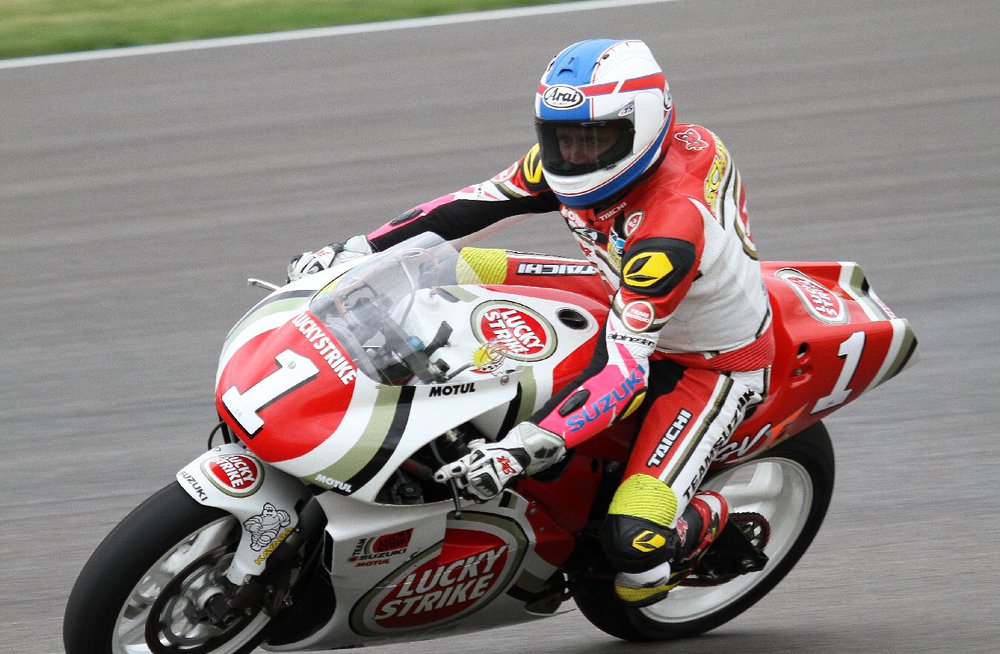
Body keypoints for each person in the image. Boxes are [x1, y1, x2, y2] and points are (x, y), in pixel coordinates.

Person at [288, 39, 773, 606]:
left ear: (640, 128)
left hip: (707, 360)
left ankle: (705, 520)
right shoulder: (598, 159)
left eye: (593, 139)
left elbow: (625, 371)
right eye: (562, 137)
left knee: (636, 556)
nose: (574, 156)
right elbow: (475, 203)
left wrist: (519, 450)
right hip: (616, 283)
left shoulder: (668, 232)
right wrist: (355, 251)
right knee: (443, 268)